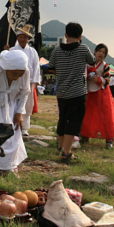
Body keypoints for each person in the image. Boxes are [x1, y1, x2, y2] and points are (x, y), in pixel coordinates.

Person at [43, 22, 95, 162]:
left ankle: (61, 148)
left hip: (62, 91)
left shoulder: (57, 50)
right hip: (78, 91)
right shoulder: (83, 48)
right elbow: (92, 62)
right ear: (80, 36)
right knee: (73, 121)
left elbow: (51, 68)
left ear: (66, 35)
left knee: (63, 120)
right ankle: (67, 152)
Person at [80, 43, 114, 149]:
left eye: (104, 52)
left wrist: (98, 79)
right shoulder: (88, 64)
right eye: (100, 51)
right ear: (95, 51)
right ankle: (85, 134)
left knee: (106, 115)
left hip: (102, 93)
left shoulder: (105, 66)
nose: (101, 54)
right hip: (89, 92)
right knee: (88, 114)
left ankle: (109, 139)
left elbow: (108, 80)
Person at [10, 24, 41, 134]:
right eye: (20, 37)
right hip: (15, 79)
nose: (22, 39)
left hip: (29, 80)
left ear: (28, 39)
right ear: (17, 38)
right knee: (14, 101)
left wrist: (35, 81)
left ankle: (25, 127)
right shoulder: (12, 50)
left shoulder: (32, 51)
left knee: (27, 104)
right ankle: (12, 123)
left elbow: (36, 67)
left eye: (25, 37)